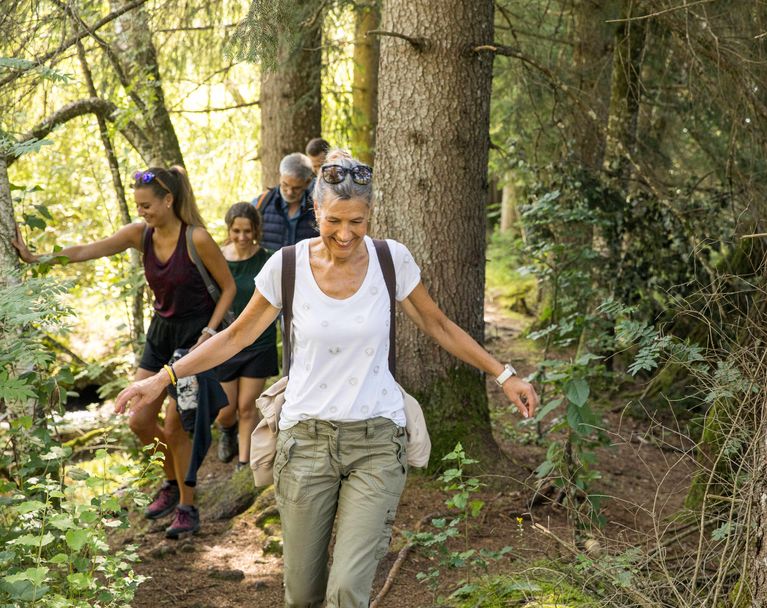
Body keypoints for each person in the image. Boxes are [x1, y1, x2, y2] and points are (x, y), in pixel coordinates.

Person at [114, 149, 539, 607]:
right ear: (316, 210)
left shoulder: (390, 260)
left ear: (370, 214)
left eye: (356, 221)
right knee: (302, 595)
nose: (344, 234)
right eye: (333, 220)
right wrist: (162, 378)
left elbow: (439, 325)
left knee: (347, 590)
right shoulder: (287, 266)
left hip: (377, 440)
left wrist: (503, 373)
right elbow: (235, 336)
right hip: (305, 443)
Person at [13, 166, 236, 539]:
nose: (142, 212)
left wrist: (210, 333)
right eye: (138, 206)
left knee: (177, 425)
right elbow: (89, 249)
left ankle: (187, 505)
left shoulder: (197, 239)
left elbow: (228, 288)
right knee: (138, 420)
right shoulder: (140, 234)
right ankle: (170, 482)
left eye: (148, 205)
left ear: (169, 200)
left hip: (195, 339)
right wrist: (37, 258)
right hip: (160, 333)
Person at [214, 203, 279, 467]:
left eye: (247, 231)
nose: (242, 237)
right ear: (229, 230)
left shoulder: (267, 259)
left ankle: (244, 461)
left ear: (256, 230)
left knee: (247, 407)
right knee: (226, 410)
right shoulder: (216, 258)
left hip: (259, 342)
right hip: (226, 342)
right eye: (236, 231)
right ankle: (226, 430)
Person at [253, 152, 318, 252]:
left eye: (296, 188)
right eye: (285, 185)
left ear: (307, 182)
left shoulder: (318, 209)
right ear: (280, 177)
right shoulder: (261, 202)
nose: (289, 192)